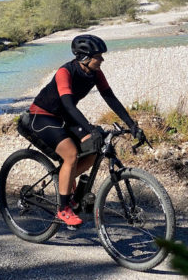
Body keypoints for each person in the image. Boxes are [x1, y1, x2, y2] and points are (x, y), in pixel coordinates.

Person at [27, 34, 143, 226]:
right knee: (71, 155)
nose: (102, 59)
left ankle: (64, 181)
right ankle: (63, 209)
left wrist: (132, 125)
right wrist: (90, 128)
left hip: (64, 116)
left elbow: (110, 97)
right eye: (98, 56)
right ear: (84, 57)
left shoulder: (96, 73)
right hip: (42, 116)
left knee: (93, 151)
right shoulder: (65, 72)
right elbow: (69, 105)